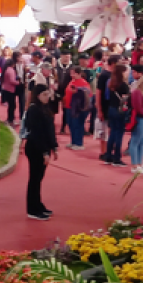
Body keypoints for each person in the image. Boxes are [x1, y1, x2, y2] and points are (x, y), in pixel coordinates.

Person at [23, 84, 58, 220]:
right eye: (44, 94)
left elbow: (50, 130)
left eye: (48, 94)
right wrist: (44, 152)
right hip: (35, 148)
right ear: (37, 96)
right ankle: (32, 209)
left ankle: (38, 204)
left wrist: (54, 147)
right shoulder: (33, 110)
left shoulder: (45, 108)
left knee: (39, 178)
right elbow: (37, 133)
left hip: (44, 147)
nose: (47, 97)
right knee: (34, 179)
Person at [101, 63, 130, 167]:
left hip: (111, 109)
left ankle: (108, 156)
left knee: (112, 133)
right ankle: (117, 158)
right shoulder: (124, 85)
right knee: (119, 134)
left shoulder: (111, 83)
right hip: (120, 110)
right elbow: (125, 101)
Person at [62, 67, 91, 150]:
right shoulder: (72, 81)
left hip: (77, 108)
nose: (71, 75)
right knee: (71, 124)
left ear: (79, 74)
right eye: (71, 73)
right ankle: (73, 141)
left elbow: (87, 93)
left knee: (78, 125)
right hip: (69, 106)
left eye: (73, 73)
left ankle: (79, 143)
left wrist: (77, 90)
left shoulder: (83, 82)